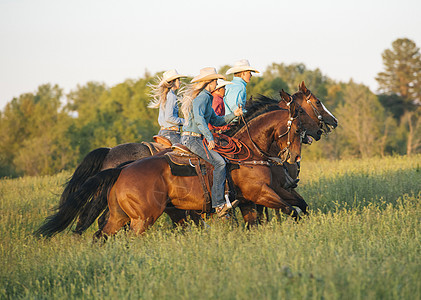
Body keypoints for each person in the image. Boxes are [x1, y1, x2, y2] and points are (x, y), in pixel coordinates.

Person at [180, 67, 243, 217]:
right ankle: (219, 204)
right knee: (220, 163)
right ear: (209, 82)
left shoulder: (206, 97)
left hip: (195, 137)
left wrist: (234, 115)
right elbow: (200, 120)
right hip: (192, 138)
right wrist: (209, 138)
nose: (217, 84)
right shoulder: (202, 97)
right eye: (215, 81)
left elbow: (216, 120)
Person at [148, 69, 186, 144]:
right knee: (189, 151)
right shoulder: (171, 96)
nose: (180, 81)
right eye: (178, 79)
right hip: (172, 134)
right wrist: (186, 122)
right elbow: (169, 118)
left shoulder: (164, 95)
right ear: (172, 82)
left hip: (162, 132)